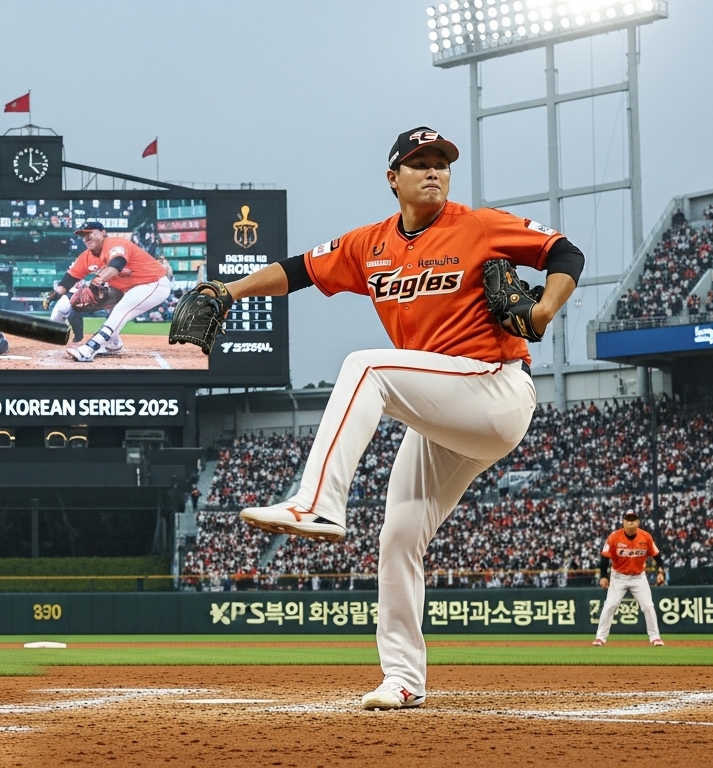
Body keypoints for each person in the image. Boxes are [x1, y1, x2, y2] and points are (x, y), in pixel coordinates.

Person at [212, 127, 584, 710]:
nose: (434, 171)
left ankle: (317, 502)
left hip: (495, 390)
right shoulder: (371, 244)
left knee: (366, 367)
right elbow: (300, 270)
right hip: (444, 411)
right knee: (400, 537)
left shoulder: (478, 225)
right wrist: (226, 292)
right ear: (394, 179)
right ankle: (403, 678)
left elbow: (564, 252)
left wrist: (542, 309)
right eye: (420, 163)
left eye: (441, 163)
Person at [49, 221, 171, 362]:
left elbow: (117, 264)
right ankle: (113, 343)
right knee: (107, 301)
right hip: (128, 289)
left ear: (103, 232)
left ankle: (90, 349)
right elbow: (69, 278)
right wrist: (56, 294)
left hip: (154, 283)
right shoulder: (86, 257)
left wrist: (99, 279)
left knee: (122, 308)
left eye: (90, 233)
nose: (86, 238)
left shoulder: (116, 244)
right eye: (83, 235)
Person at [593, 511, 665, 647]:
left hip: (638, 577)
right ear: (623, 522)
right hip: (618, 577)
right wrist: (603, 576)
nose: (631, 522)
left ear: (638, 522)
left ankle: (655, 637)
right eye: (628, 519)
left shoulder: (646, 537)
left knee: (648, 606)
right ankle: (600, 637)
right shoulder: (614, 537)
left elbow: (657, 556)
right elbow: (604, 558)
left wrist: (661, 572)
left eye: (633, 519)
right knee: (610, 605)